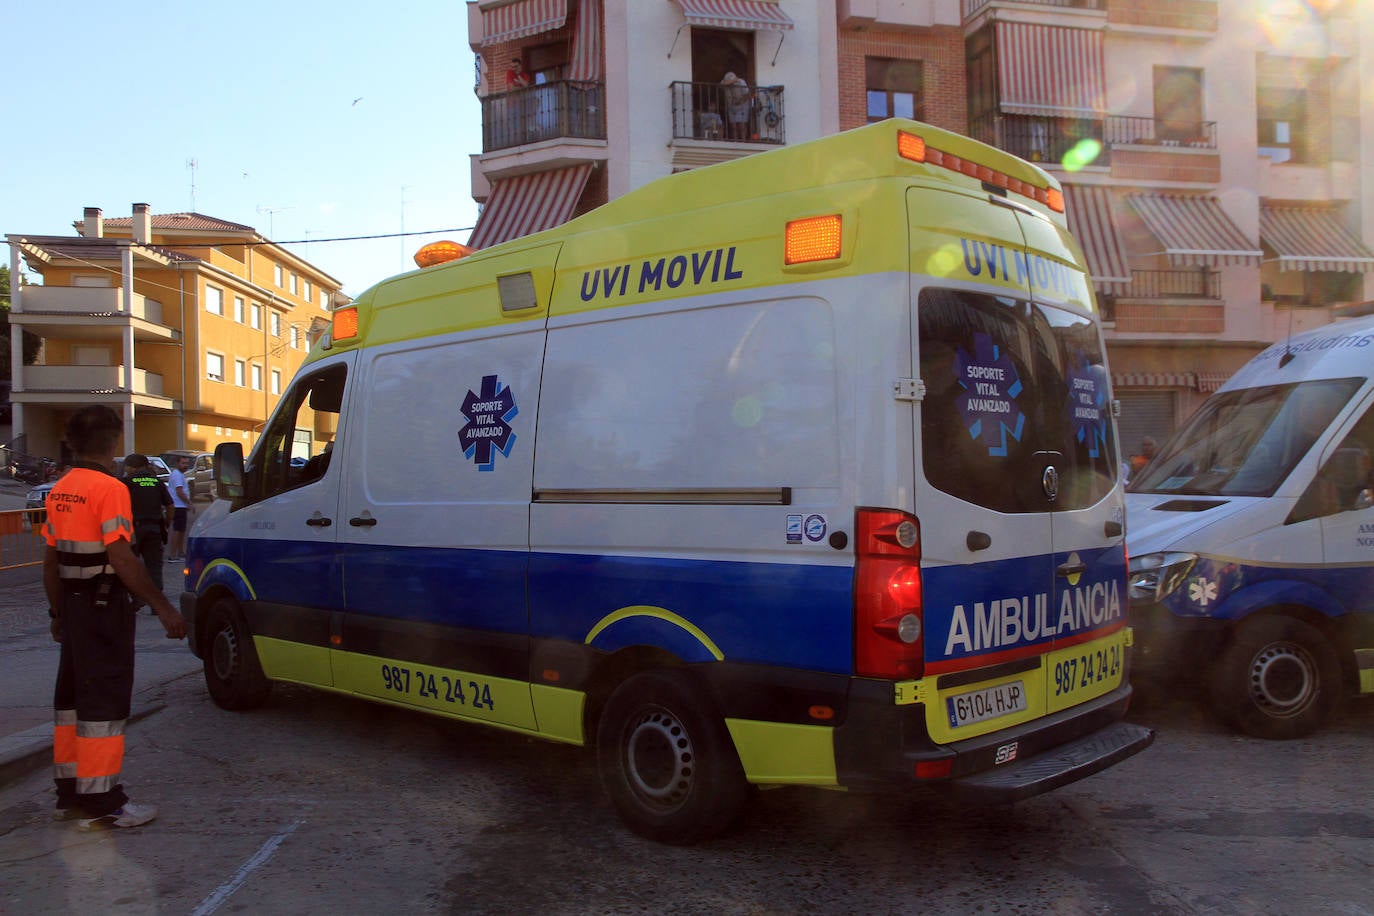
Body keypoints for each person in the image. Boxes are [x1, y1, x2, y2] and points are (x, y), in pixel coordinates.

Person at [43, 405, 186, 830]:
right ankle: (104, 801)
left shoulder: (60, 489)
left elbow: (50, 563)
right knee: (103, 702)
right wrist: (164, 608)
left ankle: (69, 795)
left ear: (72, 442)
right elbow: (122, 559)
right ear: (115, 441)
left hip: (72, 606)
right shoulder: (109, 489)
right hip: (103, 608)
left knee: (71, 701)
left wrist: (56, 613)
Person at [122, 453, 174, 614]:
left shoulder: (126, 483)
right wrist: (166, 523)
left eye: (126, 467)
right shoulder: (157, 482)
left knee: (128, 565)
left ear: (133, 467)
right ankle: (156, 605)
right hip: (154, 529)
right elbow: (170, 506)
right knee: (154, 568)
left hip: (133, 530)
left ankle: (136, 598)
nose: (125, 470)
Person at [166, 455, 191, 562]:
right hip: (178, 506)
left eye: (186, 463)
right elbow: (179, 491)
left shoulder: (180, 475)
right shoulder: (177, 475)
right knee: (177, 530)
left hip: (180, 506)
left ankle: (180, 552)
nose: (185, 465)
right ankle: (172, 555)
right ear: (177, 463)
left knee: (181, 530)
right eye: (183, 463)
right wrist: (188, 503)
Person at [721, 72, 752, 141]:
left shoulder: (741, 82)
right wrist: (729, 82)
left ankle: (743, 141)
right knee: (733, 126)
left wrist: (739, 101)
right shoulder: (724, 83)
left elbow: (747, 95)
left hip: (743, 106)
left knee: (742, 125)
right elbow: (721, 84)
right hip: (731, 107)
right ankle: (735, 141)